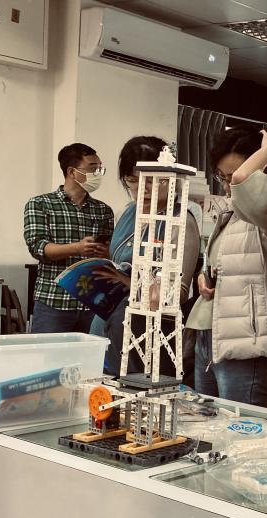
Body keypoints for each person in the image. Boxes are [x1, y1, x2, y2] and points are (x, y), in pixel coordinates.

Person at [186, 127, 267, 406]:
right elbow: (221, 263)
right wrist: (204, 276)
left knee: (241, 428)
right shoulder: (230, 213)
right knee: (206, 425)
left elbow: (249, 190)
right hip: (210, 335)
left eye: (234, 176)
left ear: (266, 168)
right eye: (222, 177)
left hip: (247, 344)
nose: (229, 186)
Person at [91, 136, 201, 376]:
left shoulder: (180, 222)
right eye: (133, 180)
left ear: (169, 179)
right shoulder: (127, 213)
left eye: (152, 180)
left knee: (136, 387)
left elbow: (177, 292)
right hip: (109, 321)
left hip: (149, 331)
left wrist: (127, 282)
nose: (143, 188)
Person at [24, 143, 114, 333]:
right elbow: (38, 248)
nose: (97, 174)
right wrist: (78, 248)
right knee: (49, 352)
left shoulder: (103, 210)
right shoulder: (40, 204)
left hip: (93, 302)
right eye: (92, 168)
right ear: (72, 172)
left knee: (93, 352)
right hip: (54, 301)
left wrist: (106, 252)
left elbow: (110, 251)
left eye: (100, 169)